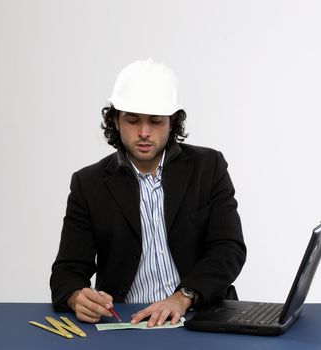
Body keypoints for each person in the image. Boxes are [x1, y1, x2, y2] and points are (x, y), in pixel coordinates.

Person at [50, 58, 246, 327]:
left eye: (155, 121)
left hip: (200, 316)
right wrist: (76, 297)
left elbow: (229, 249)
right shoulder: (88, 183)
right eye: (133, 121)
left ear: (172, 122)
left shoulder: (208, 168)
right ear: (116, 121)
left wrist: (183, 296)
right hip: (126, 323)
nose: (144, 132)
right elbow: (67, 270)